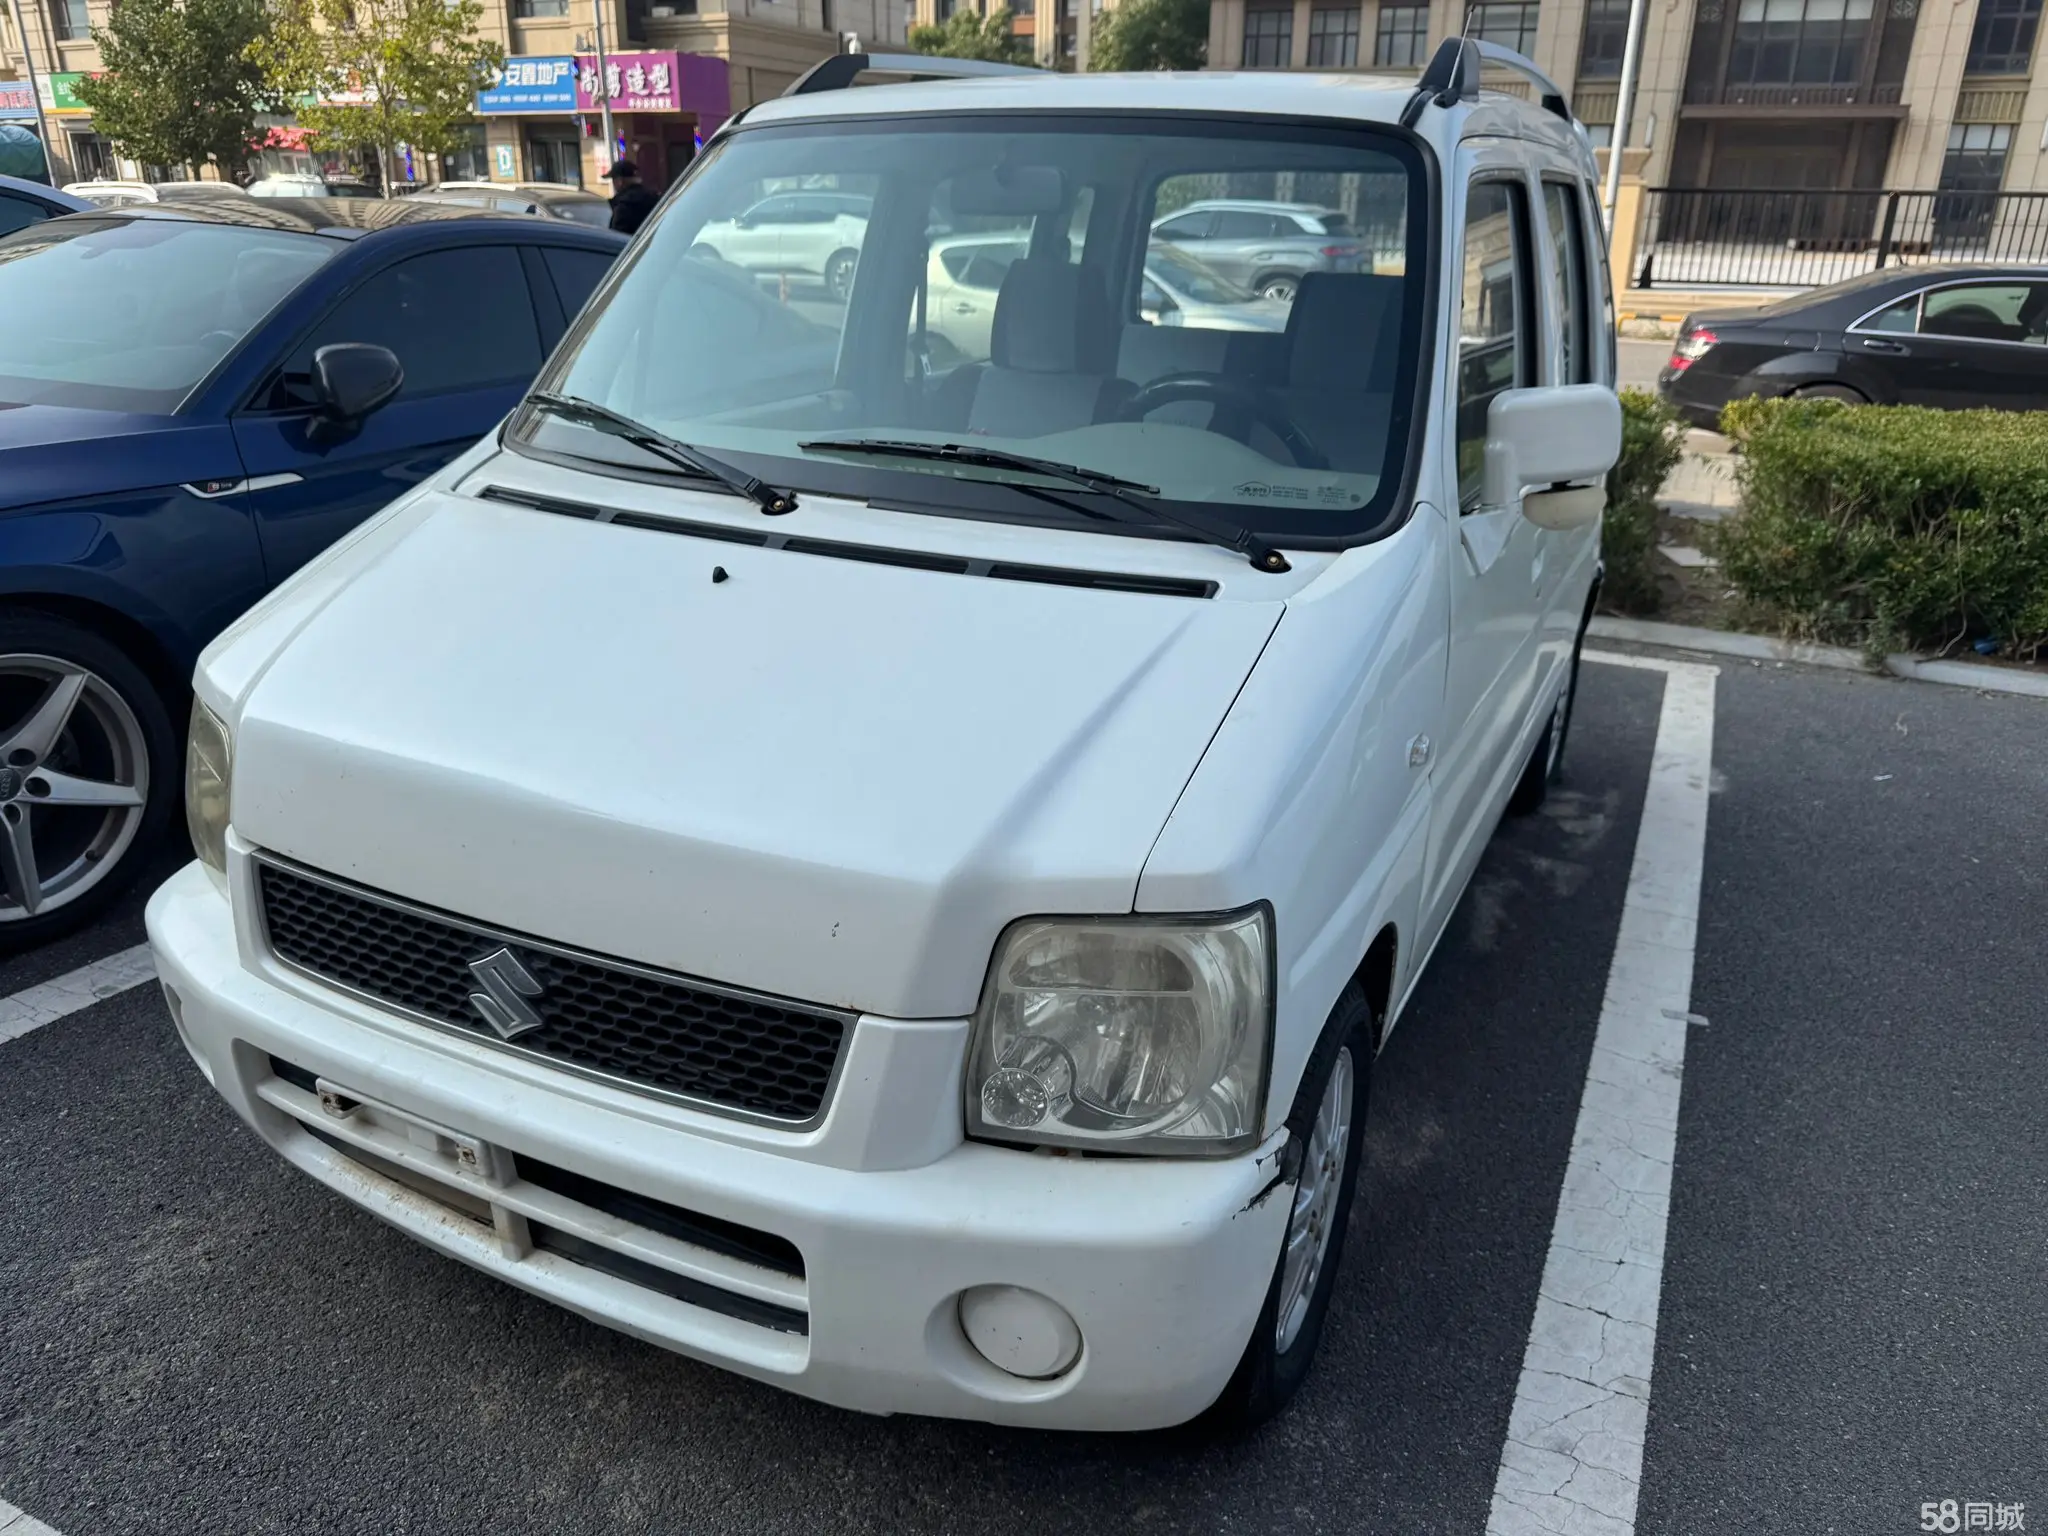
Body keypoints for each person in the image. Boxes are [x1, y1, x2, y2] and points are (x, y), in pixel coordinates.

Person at [605, 160, 657, 236]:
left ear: (620, 181)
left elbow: (616, 238)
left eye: (613, 180)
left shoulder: (624, 206)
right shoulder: (654, 198)